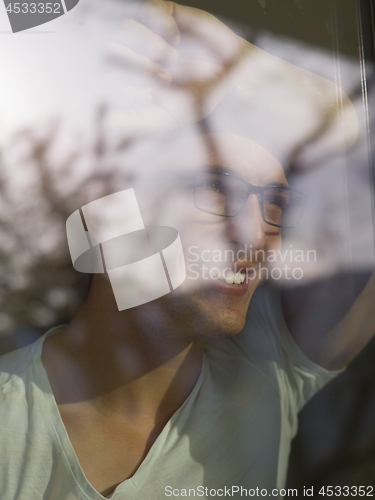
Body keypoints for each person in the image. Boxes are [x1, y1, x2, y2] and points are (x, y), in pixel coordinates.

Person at [0, 1, 373, 499]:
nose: (258, 236)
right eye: (218, 191)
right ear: (110, 205)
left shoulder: (270, 372)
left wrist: (227, 54)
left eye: (274, 206)